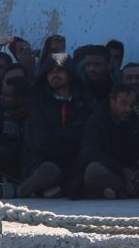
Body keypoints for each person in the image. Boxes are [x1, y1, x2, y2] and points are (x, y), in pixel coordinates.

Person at [16, 58, 92, 197]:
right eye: (51, 71)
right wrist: (69, 136)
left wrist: (64, 135)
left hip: (76, 160)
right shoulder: (38, 103)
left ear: (70, 74)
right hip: (43, 159)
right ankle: (28, 189)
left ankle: (53, 189)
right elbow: (42, 140)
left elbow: (87, 135)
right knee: (50, 170)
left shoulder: (84, 102)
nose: (55, 74)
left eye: (60, 70)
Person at [78, 86, 139, 198]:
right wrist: (121, 169)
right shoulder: (96, 122)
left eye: (131, 105)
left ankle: (117, 191)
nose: (128, 109)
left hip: (130, 173)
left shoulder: (134, 121)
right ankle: (124, 191)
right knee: (94, 171)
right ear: (112, 102)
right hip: (111, 170)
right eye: (123, 104)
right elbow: (89, 153)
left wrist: (138, 171)